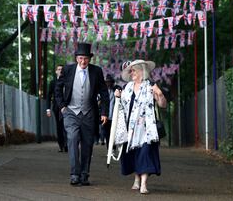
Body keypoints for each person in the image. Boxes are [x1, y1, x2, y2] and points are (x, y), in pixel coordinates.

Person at [55, 43, 109, 186]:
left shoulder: (96, 71)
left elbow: (104, 92)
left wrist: (104, 112)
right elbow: (58, 89)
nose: (83, 61)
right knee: (72, 139)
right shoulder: (67, 70)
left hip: (89, 113)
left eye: (85, 58)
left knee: (87, 144)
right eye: (80, 58)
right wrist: (62, 107)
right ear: (76, 58)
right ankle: (74, 174)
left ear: (89, 59)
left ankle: (84, 174)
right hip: (71, 112)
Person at [114, 59, 167, 194]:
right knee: (133, 154)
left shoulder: (150, 86)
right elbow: (121, 108)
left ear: (141, 71)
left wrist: (160, 94)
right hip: (131, 128)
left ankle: (143, 183)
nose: (132, 73)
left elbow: (163, 105)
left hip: (147, 128)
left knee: (144, 153)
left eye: (134, 70)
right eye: (131, 71)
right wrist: (118, 97)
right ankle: (136, 179)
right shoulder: (127, 88)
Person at [46, 64, 67, 152]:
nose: (60, 71)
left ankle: (67, 145)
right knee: (59, 126)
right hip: (56, 107)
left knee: (66, 126)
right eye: (58, 69)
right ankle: (61, 145)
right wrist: (48, 109)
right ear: (56, 71)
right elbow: (49, 95)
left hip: (66, 107)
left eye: (62, 69)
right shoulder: (53, 82)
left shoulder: (67, 81)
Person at [103, 74, 121, 149]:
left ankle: (113, 148)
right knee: (107, 134)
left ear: (112, 82)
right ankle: (109, 149)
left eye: (110, 82)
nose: (108, 83)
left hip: (114, 116)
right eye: (107, 82)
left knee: (114, 133)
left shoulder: (116, 89)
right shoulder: (104, 91)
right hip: (106, 116)